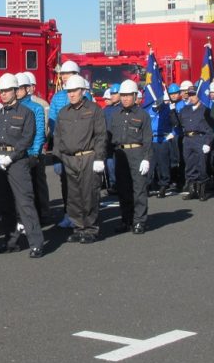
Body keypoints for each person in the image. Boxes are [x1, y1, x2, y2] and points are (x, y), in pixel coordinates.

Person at [0, 73, 44, 257]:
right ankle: (11, 241)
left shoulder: (26, 113)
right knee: (4, 203)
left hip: (18, 161)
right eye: (0, 91)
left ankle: (36, 243)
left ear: (15, 91)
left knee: (25, 202)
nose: (2, 94)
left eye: (6, 91)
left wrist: (11, 157)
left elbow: (27, 138)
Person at [53, 75, 107, 243]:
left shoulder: (94, 109)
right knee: (73, 196)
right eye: (69, 91)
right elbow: (58, 137)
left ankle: (90, 229)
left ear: (83, 91)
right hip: (69, 159)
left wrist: (99, 157)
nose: (71, 94)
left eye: (75, 91)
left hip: (88, 157)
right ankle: (78, 227)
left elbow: (100, 135)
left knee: (89, 194)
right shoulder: (63, 113)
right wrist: (57, 159)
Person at [108, 80, 152, 234]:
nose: (125, 98)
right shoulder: (115, 115)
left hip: (137, 154)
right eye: (123, 95)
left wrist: (146, 158)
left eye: (128, 95)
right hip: (120, 155)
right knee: (123, 190)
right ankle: (126, 220)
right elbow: (109, 138)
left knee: (139, 189)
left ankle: (139, 221)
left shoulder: (143, 115)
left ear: (135, 96)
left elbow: (147, 138)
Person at [15, 73, 49, 222]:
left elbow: (40, 131)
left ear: (27, 89)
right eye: (14, 88)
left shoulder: (37, 107)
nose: (16, 92)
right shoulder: (12, 107)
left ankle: (43, 214)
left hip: (32, 154)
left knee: (37, 183)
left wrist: (35, 152)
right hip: (17, 154)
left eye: (19, 89)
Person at [178, 84, 214, 201]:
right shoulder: (185, 110)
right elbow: (178, 123)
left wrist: (207, 143)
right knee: (189, 165)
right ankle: (192, 190)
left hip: (200, 139)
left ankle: (202, 190)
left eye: (194, 95)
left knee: (201, 165)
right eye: (190, 95)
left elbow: (210, 129)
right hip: (188, 139)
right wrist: (173, 110)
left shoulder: (205, 110)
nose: (191, 97)